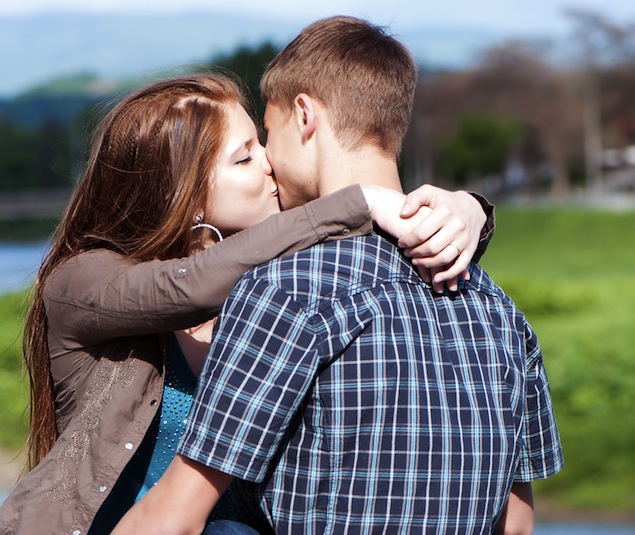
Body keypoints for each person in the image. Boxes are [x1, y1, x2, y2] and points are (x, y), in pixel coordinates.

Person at [115, 16, 563, 535]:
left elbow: (173, 520)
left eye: (268, 130)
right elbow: (517, 525)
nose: (267, 159)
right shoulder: (500, 312)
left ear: (304, 116)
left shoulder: (285, 289)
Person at [0, 74, 495, 535]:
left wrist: (470, 210)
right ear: (183, 193)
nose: (269, 160)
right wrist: (360, 198)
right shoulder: (82, 280)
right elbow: (186, 288)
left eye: (260, 143)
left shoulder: (276, 275)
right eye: (243, 158)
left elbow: (379, 248)